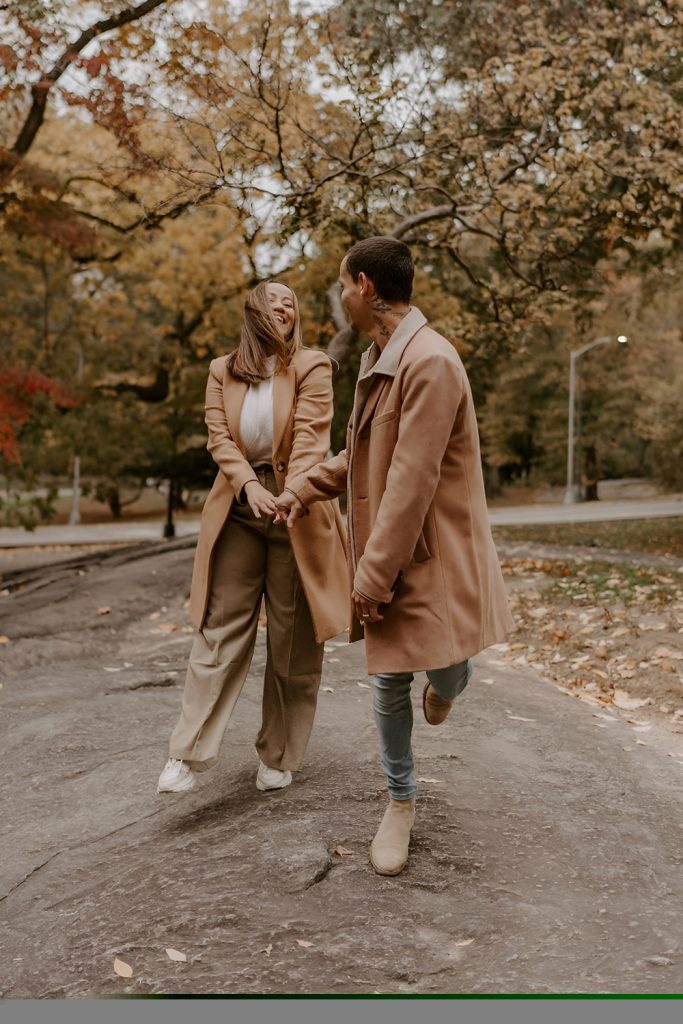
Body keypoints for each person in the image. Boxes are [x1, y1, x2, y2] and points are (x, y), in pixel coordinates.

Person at [274, 237, 514, 875]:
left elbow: (410, 482)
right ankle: (400, 802)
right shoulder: (380, 358)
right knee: (386, 682)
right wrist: (304, 487)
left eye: (342, 287)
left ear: (364, 286)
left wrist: (371, 577)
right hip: (389, 547)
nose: (340, 299)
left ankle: (454, 678)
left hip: (429, 555)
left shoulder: (429, 363)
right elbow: (364, 452)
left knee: (440, 672)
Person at [158, 281, 348, 795]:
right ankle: (188, 752)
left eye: (292, 301)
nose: (285, 305)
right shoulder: (222, 370)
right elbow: (219, 436)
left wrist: (294, 493)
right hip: (240, 506)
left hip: (297, 507)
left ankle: (279, 754)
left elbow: (313, 437)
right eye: (275, 298)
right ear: (254, 311)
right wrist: (246, 483)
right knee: (221, 629)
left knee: (291, 640)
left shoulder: (312, 366)